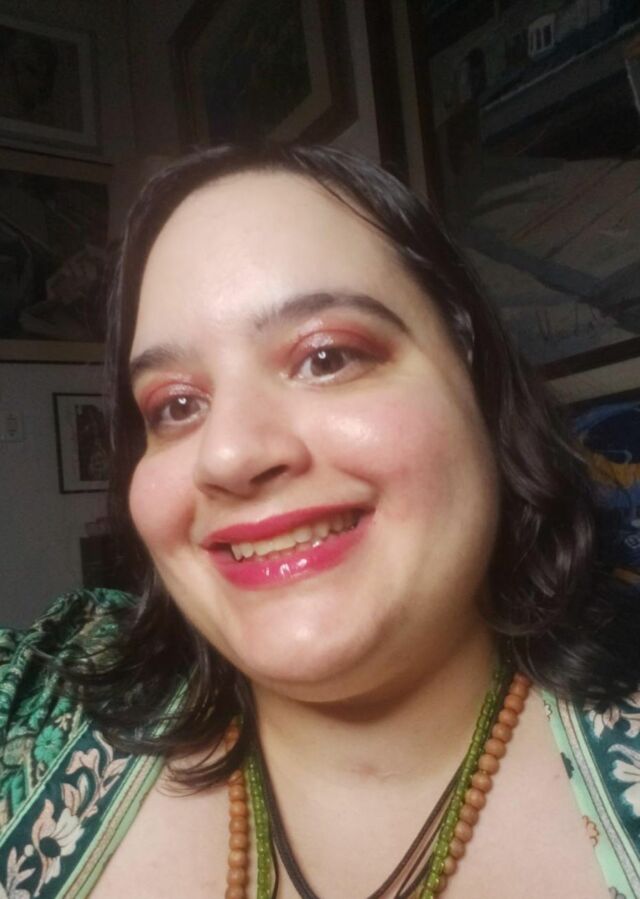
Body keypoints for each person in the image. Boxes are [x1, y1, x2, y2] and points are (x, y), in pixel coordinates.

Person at [1, 144, 639, 899]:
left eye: (328, 357)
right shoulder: (33, 699)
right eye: (175, 406)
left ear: (477, 380)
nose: (229, 454)